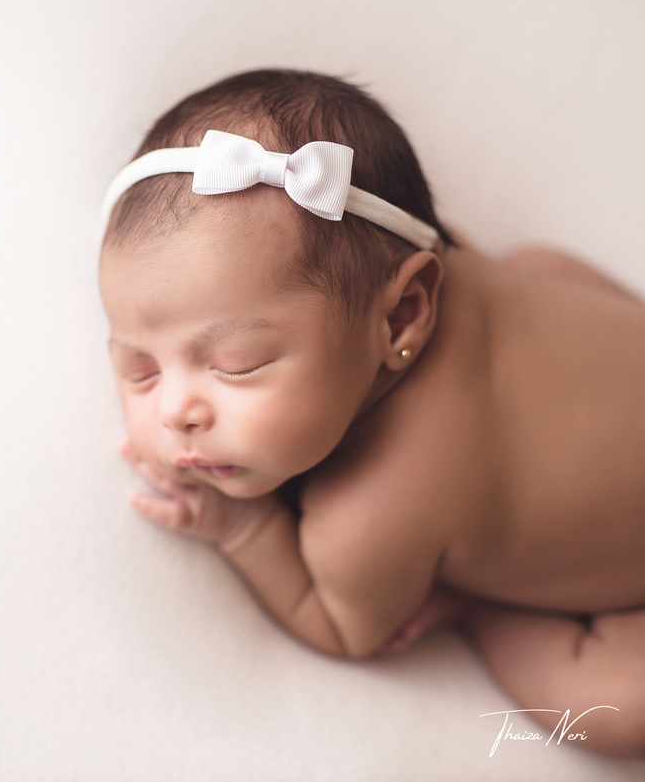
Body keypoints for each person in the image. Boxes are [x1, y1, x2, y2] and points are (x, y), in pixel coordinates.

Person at [99, 69, 645, 758]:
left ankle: (481, 607)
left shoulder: (370, 513)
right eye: (138, 369)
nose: (176, 410)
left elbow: (341, 626)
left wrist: (244, 528)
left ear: (404, 313)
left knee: (614, 710)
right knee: (538, 265)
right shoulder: (443, 258)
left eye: (235, 364)